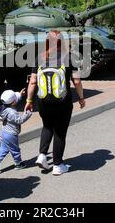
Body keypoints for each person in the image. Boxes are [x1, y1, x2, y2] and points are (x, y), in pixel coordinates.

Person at [25, 30, 85, 176]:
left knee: (47, 126)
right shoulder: (69, 58)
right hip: (63, 102)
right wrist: (81, 98)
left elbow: (33, 81)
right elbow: (76, 81)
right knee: (60, 132)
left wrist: (29, 100)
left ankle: (42, 155)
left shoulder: (39, 58)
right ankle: (58, 165)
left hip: (43, 102)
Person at [0, 89, 32, 174]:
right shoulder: (12, 112)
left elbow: (14, 100)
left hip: (4, 132)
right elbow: (19, 120)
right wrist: (27, 115)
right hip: (11, 135)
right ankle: (18, 163)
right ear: (13, 102)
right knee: (15, 149)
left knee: (4, 148)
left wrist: (20, 95)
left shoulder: (4, 107)